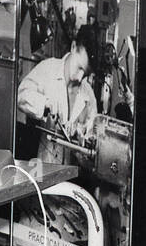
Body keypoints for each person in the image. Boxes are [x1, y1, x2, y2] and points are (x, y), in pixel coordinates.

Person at [17, 26, 99, 164]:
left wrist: (82, 137)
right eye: (79, 68)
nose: (80, 78)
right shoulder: (48, 69)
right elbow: (21, 95)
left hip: (71, 173)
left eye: (85, 74)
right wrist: (44, 104)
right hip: (42, 164)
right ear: (73, 47)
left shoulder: (88, 95)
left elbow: (92, 140)